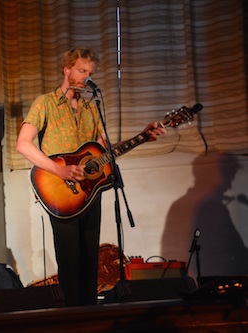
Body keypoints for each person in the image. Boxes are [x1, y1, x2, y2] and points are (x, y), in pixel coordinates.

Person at [16, 47, 166, 306]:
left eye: (90, 72)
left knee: (89, 261)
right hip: (59, 191)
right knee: (70, 260)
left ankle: (90, 316)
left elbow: (103, 151)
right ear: (67, 69)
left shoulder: (91, 106)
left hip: (90, 193)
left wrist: (141, 137)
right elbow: (23, 144)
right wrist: (59, 170)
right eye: (81, 71)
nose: (86, 77)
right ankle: (72, 319)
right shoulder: (46, 103)